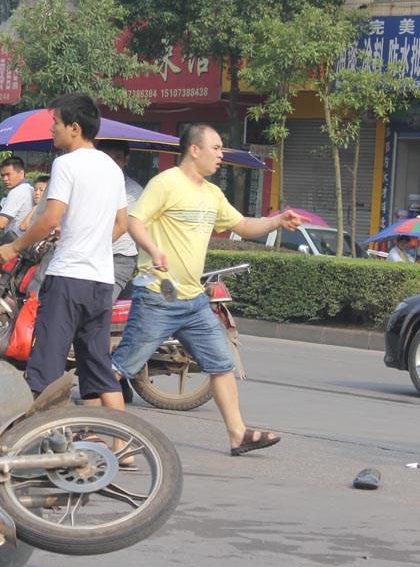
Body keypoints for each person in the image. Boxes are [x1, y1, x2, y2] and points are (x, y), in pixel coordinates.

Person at [111, 123, 305, 456]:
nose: (221, 155)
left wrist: (276, 221)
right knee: (119, 369)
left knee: (221, 364)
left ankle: (238, 434)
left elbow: (242, 225)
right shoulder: (166, 183)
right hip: (160, 293)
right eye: (215, 148)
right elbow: (134, 220)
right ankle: (111, 440)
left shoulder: (211, 193)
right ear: (194, 150)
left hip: (192, 298)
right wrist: (154, 250)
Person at [0, 92, 128, 415]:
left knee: (46, 366)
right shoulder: (112, 168)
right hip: (99, 282)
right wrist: (89, 239)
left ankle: (43, 440)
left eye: (55, 124)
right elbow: (122, 224)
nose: (52, 130)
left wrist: (14, 246)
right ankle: (121, 444)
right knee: (98, 368)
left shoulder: (66, 164)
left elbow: (50, 218)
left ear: (74, 127)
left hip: (68, 278)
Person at [98, 140, 144, 300]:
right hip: (88, 255)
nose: (112, 163)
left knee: (98, 307)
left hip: (118, 258)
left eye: (117, 158)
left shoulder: (133, 192)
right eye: (107, 158)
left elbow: (120, 227)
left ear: (126, 160)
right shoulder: (89, 184)